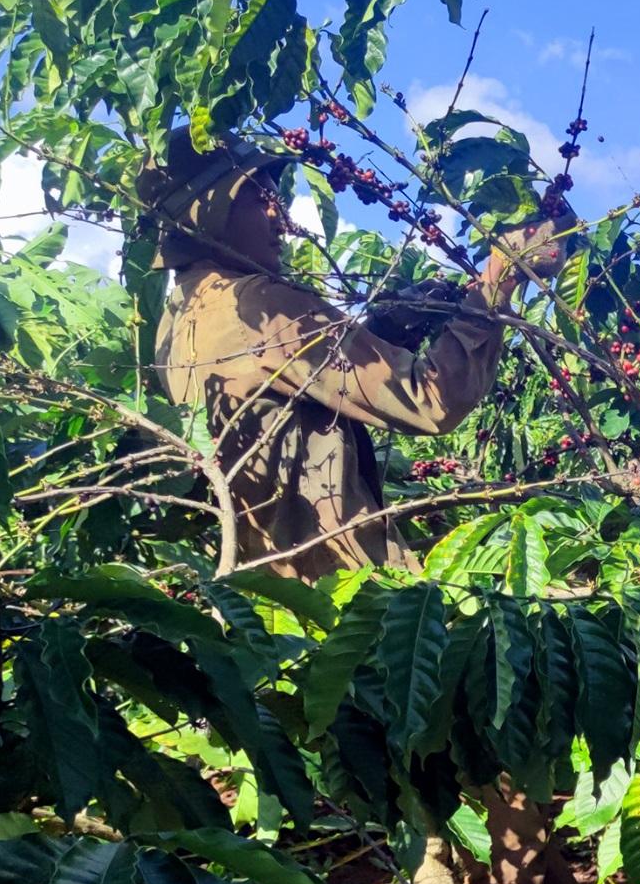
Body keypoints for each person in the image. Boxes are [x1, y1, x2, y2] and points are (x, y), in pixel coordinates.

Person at [137, 128, 575, 578]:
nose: (278, 211)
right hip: (343, 583)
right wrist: (500, 278)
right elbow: (431, 401)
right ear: (207, 213)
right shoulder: (260, 305)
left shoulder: (176, 322)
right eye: (255, 195)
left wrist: (385, 328)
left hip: (269, 587)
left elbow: (297, 393)